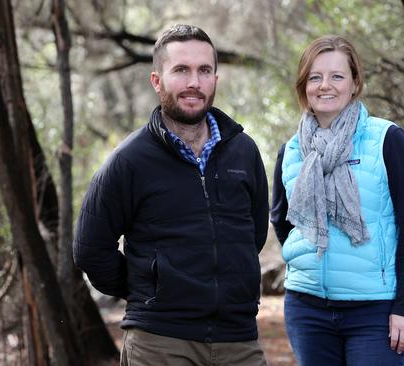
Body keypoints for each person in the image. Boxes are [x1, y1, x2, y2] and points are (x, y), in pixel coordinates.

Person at [73, 24, 269, 366]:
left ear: (215, 80)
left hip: (238, 341)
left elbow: (252, 235)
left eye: (204, 70)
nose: (194, 81)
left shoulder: (243, 151)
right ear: (157, 80)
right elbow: (90, 248)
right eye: (181, 70)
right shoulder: (129, 160)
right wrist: (151, 287)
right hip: (159, 343)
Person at [270, 35, 404, 365]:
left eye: (337, 76)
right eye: (315, 77)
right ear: (304, 86)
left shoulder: (387, 140)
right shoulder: (291, 151)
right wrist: (310, 259)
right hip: (307, 308)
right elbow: (284, 221)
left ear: (355, 83)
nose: (325, 86)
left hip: (375, 310)